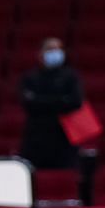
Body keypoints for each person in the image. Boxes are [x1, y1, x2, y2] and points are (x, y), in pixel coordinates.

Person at [17, 37, 85, 170]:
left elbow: (76, 102)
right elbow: (29, 104)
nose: (55, 53)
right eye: (50, 49)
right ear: (41, 54)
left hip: (65, 137)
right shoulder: (30, 78)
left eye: (58, 49)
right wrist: (61, 100)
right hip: (36, 138)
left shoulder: (71, 77)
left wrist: (41, 100)